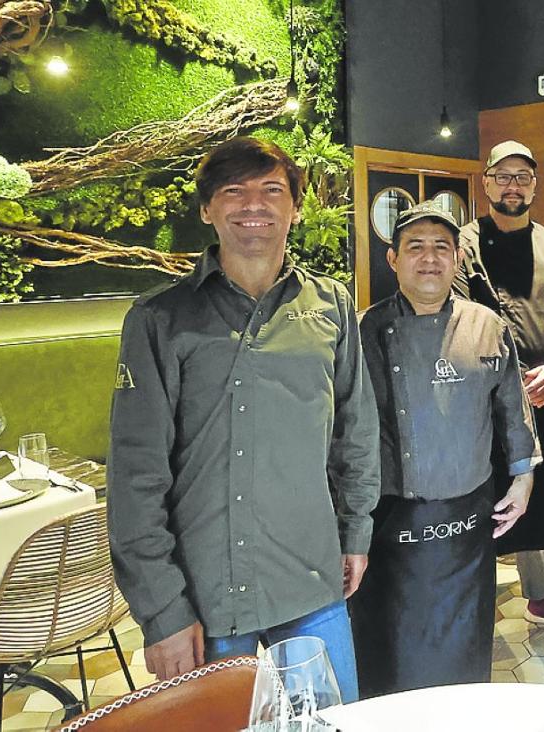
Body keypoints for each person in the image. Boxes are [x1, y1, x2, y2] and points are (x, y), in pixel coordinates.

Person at [107, 137, 379, 700]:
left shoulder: (330, 305)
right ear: (208, 209)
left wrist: (355, 532)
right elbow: (136, 476)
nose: (253, 203)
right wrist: (162, 609)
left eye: (271, 190)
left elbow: (355, 432)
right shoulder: (160, 320)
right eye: (233, 190)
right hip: (204, 595)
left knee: (328, 724)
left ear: (295, 209)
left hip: (310, 579)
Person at [350, 201, 537, 696]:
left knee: (463, 641)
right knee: (389, 647)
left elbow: (513, 410)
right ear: (393, 259)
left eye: (442, 248)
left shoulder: (487, 325)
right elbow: (342, 430)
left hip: (468, 515)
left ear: (457, 260)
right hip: (389, 518)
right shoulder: (362, 331)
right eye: (415, 247)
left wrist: (522, 478)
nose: (429, 259)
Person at [454, 140, 544, 635]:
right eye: (503, 175)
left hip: (543, 393)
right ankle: (472, 600)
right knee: (482, 495)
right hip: (483, 399)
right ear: (485, 182)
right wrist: (503, 378)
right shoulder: (463, 243)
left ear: (534, 185)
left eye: (523, 176)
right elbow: (459, 320)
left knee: (540, 496)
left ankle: (542, 593)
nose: (513, 184)